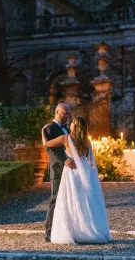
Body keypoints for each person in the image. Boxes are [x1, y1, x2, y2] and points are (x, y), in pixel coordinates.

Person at [42, 115, 112, 245]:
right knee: (84, 201)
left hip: (71, 172)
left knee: (70, 201)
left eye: (73, 123)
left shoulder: (66, 138)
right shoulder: (87, 141)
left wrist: (42, 131)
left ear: (75, 126)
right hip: (84, 170)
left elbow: (46, 144)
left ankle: (73, 231)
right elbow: (91, 162)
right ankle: (88, 230)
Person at [44, 103, 76, 242]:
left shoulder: (67, 129)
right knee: (55, 200)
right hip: (58, 167)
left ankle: (64, 230)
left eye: (68, 113)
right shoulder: (49, 128)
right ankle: (49, 232)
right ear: (57, 112)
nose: (67, 115)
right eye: (65, 113)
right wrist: (65, 160)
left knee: (68, 200)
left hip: (70, 170)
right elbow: (51, 148)